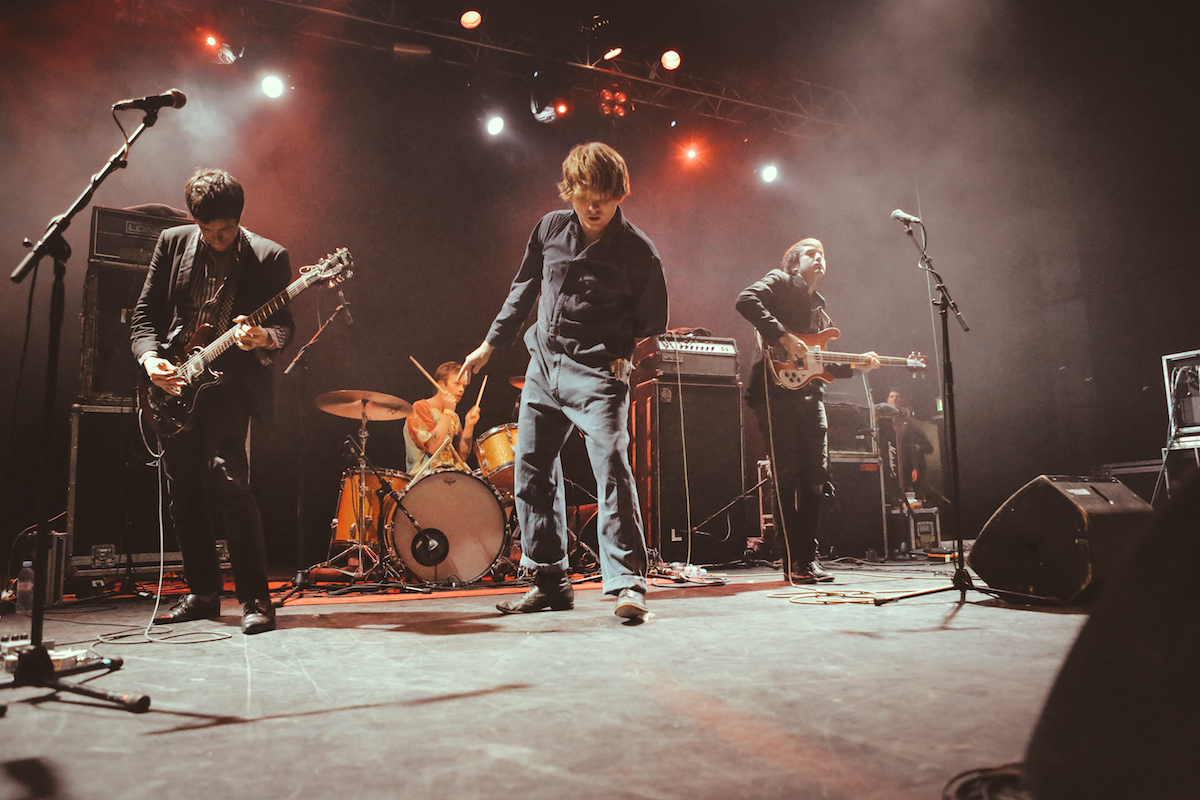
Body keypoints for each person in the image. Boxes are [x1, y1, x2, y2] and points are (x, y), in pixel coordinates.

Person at [459, 142, 668, 620]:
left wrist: (613, 355)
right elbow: (523, 288)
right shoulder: (550, 228)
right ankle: (550, 581)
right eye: (583, 194)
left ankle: (627, 584)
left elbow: (650, 320)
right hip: (543, 367)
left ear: (620, 194)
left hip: (597, 374)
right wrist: (490, 344)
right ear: (570, 191)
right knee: (530, 472)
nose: (592, 205)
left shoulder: (640, 252)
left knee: (613, 466)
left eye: (603, 195)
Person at [130, 167, 294, 634]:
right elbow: (145, 316)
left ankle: (256, 600)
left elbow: (285, 326)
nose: (216, 237)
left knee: (229, 482)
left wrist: (264, 337)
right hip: (178, 383)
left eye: (225, 230)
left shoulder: (268, 256)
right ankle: (203, 593)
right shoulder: (173, 243)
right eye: (208, 229)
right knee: (183, 490)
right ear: (194, 220)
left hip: (231, 386)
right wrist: (150, 362)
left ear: (239, 219)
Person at [736, 237, 878, 583]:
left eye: (823, 254)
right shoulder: (780, 281)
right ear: (794, 263)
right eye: (811, 254)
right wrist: (782, 336)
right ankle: (791, 559)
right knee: (786, 478)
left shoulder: (819, 307)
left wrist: (858, 365)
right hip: (774, 390)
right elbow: (745, 300)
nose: (819, 258)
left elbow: (817, 361)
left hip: (811, 394)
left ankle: (807, 557)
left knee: (816, 478)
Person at [404, 361, 481, 474]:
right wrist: (448, 411)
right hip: (424, 477)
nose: (461, 390)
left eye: (463, 386)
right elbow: (433, 447)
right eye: (456, 384)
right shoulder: (420, 407)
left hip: (451, 475)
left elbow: (462, 457)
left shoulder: (454, 416)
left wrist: (469, 425)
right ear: (441, 385)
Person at [874, 388, 934, 503]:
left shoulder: (909, 425)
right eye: (892, 396)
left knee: (910, 494)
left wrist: (915, 465)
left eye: (897, 397)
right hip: (887, 464)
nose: (894, 399)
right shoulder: (879, 421)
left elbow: (918, 446)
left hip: (906, 466)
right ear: (887, 400)